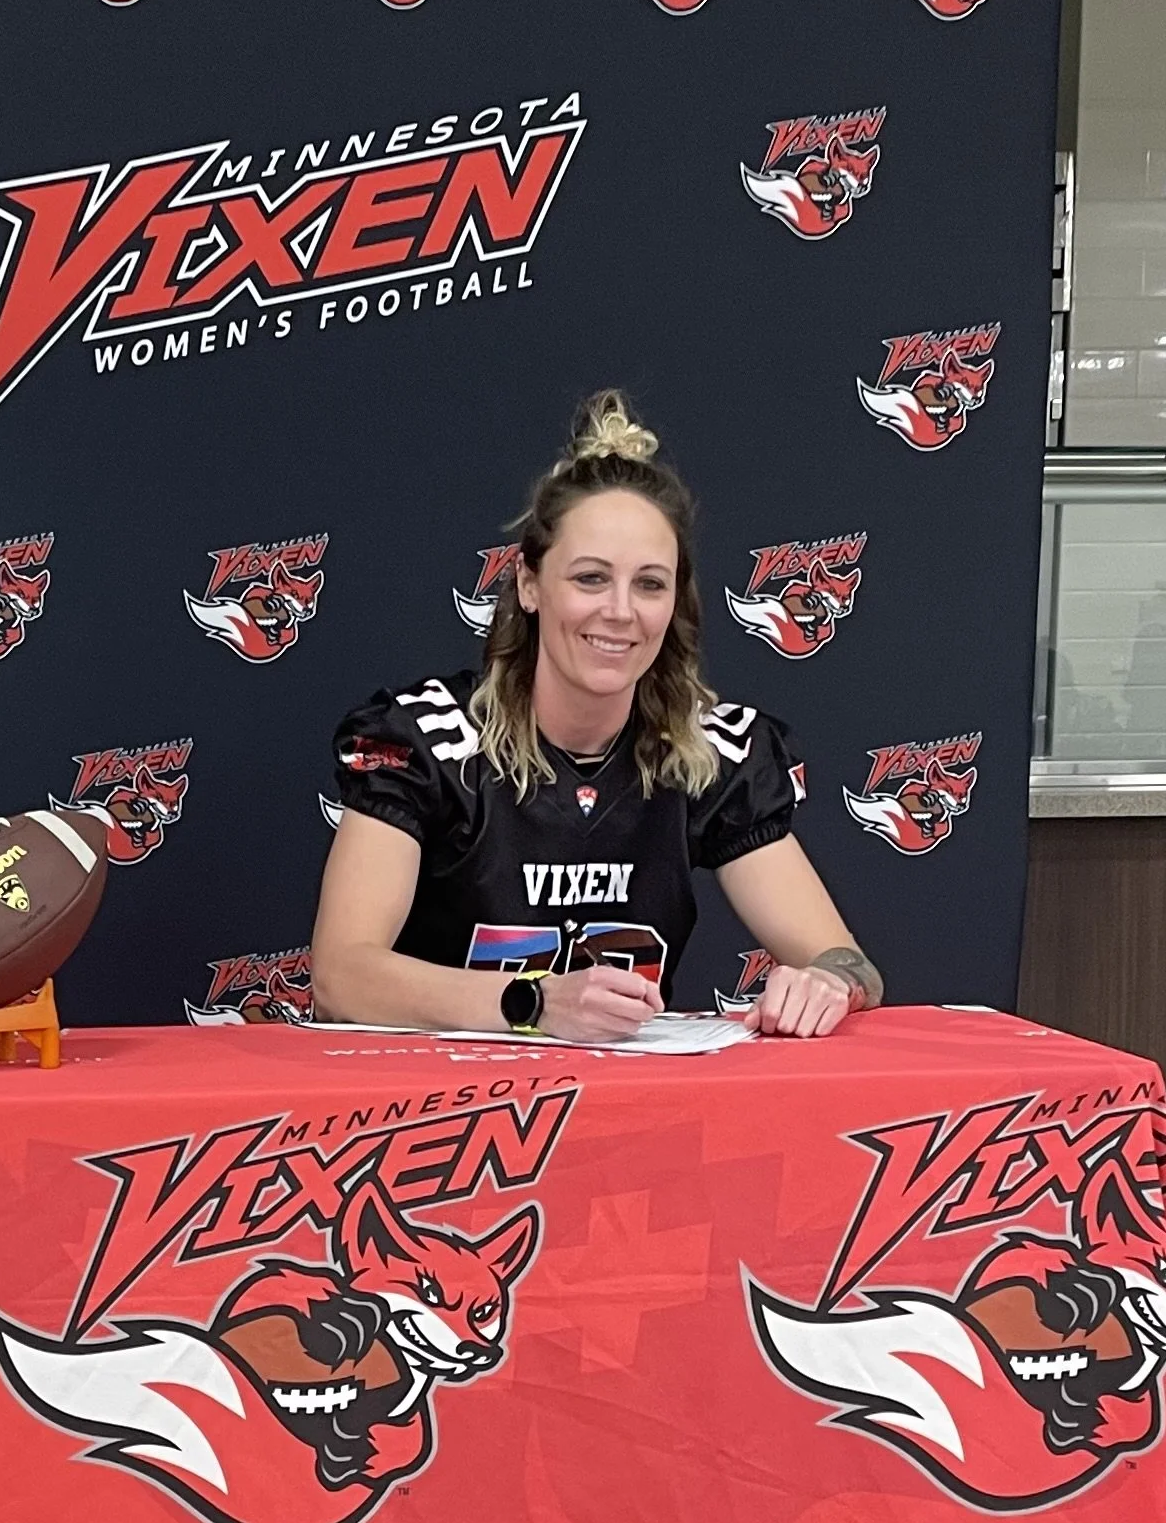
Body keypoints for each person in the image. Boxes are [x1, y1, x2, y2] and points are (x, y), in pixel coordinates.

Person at [311, 393, 882, 1043]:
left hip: (622, 1109)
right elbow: (341, 977)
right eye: (589, 578)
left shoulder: (708, 750)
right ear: (529, 584)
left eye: (649, 584)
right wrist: (532, 1003)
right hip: (439, 1116)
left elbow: (845, 958)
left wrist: (826, 983)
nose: (620, 611)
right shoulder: (426, 738)